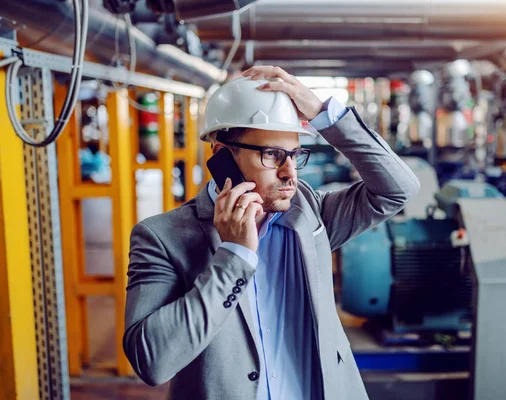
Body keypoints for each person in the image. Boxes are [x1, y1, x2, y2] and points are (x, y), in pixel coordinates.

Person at [123, 66, 420, 400]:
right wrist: (233, 258)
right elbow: (151, 362)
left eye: (294, 155)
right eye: (272, 155)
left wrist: (327, 116)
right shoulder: (162, 237)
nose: (289, 173)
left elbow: (399, 189)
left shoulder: (311, 214)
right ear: (223, 157)